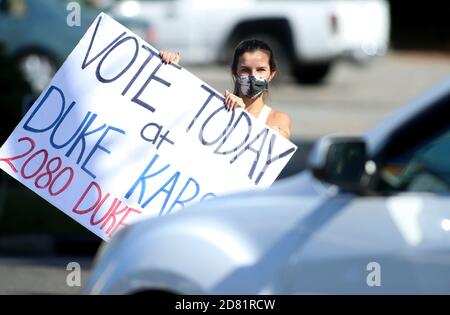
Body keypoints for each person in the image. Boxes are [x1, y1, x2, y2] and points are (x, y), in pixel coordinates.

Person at [159, 39, 292, 139]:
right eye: (245, 70)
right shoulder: (214, 108)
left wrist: (242, 117)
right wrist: (167, 69)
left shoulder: (277, 119)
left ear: (271, 74)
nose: (253, 76)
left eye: (261, 70)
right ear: (235, 72)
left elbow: (273, 153)